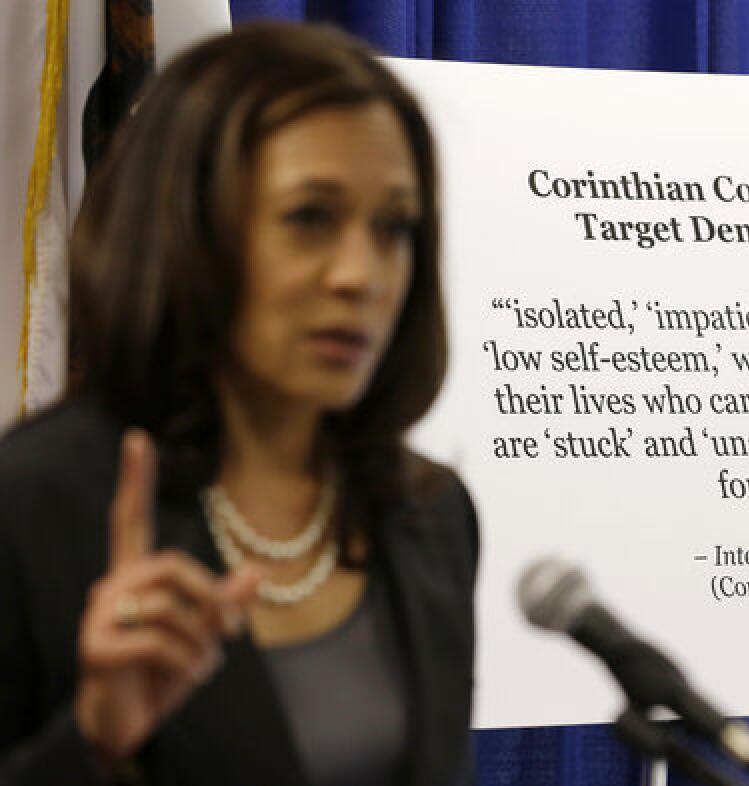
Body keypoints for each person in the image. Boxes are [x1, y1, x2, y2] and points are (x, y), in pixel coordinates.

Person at [0, 22, 477, 786]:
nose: (362, 274)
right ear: (187, 228)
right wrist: (92, 744)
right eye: (311, 217)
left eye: (394, 227)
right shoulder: (31, 505)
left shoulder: (428, 511)